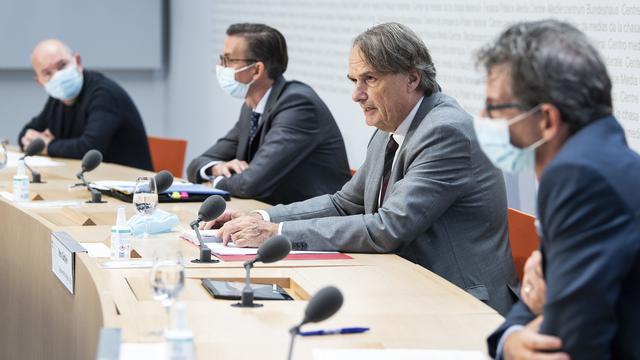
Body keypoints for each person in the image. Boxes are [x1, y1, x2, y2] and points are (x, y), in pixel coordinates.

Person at [206, 23, 518, 315]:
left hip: (461, 303)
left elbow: (388, 228)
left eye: (370, 79)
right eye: (355, 81)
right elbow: (344, 204)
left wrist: (277, 234)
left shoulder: (446, 131)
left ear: (412, 78)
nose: (357, 95)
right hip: (405, 284)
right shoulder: (390, 124)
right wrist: (262, 218)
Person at [475, 20, 640, 359]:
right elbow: (542, 293)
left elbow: (565, 345)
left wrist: (518, 336)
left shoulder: (579, 176)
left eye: (494, 108)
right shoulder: (600, 156)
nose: (482, 117)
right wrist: (511, 339)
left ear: (546, 120)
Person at [186, 23, 351, 205]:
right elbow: (198, 163)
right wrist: (216, 168)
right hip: (270, 214)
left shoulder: (298, 105)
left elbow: (249, 184)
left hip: (313, 223)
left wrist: (214, 183)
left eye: (228, 60)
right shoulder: (251, 106)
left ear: (256, 70)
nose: (220, 66)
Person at [19, 39, 152, 170]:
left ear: (77, 62)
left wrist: (47, 146)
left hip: (129, 184)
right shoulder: (57, 97)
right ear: (40, 81)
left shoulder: (104, 93)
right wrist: (35, 141)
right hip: (89, 179)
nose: (58, 76)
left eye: (62, 65)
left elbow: (88, 148)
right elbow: (26, 133)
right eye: (47, 73)